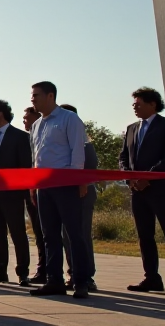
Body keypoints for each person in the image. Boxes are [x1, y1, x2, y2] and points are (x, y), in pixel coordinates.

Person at [120, 87, 165, 295]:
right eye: (134, 104)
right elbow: (123, 158)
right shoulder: (131, 129)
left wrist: (148, 177)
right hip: (137, 192)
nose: (134, 107)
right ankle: (151, 277)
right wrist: (130, 177)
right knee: (144, 235)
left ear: (152, 104)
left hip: (160, 190)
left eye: (138, 103)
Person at [28, 81, 90, 299]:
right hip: (44, 187)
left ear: (50, 96)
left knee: (74, 234)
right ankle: (54, 280)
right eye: (32, 95)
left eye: (36, 95)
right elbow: (36, 158)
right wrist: (34, 186)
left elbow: (77, 153)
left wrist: (77, 180)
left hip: (66, 185)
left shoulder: (69, 119)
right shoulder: (37, 125)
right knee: (49, 235)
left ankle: (81, 281)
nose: (32, 99)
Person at [0, 100, 33, 287]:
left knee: (18, 234)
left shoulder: (20, 137)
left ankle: (23, 273)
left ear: (0, 114)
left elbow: (25, 167)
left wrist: (25, 193)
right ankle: (0, 270)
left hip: (13, 196)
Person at [58, 104, 98, 292]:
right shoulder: (64, 143)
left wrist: (82, 183)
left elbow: (90, 164)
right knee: (67, 237)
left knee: (81, 235)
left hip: (82, 194)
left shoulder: (83, 142)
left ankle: (87, 276)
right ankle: (73, 272)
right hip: (65, 194)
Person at [21, 106, 47, 284]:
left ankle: (48, 269)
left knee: (47, 232)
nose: (25, 121)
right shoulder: (26, 139)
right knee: (38, 232)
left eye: (27, 118)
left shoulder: (41, 138)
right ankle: (42, 268)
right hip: (31, 190)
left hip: (44, 189)